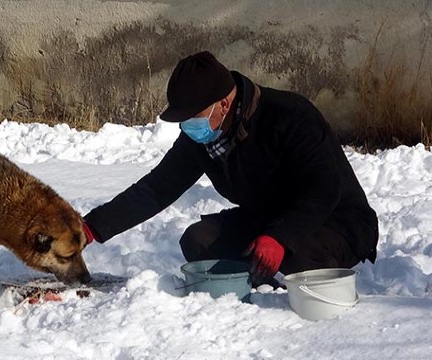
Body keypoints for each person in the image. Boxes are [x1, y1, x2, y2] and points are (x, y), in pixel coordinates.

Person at [81, 51, 378, 286]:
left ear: (223, 104)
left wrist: (280, 237)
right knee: (198, 241)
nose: (187, 126)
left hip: (334, 221)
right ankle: (259, 281)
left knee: (294, 258)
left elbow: (324, 190)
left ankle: (278, 281)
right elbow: (157, 188)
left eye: (192, 117)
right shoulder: (202, 136)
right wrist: (90, 227)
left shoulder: (291, 116)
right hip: (268, 221)